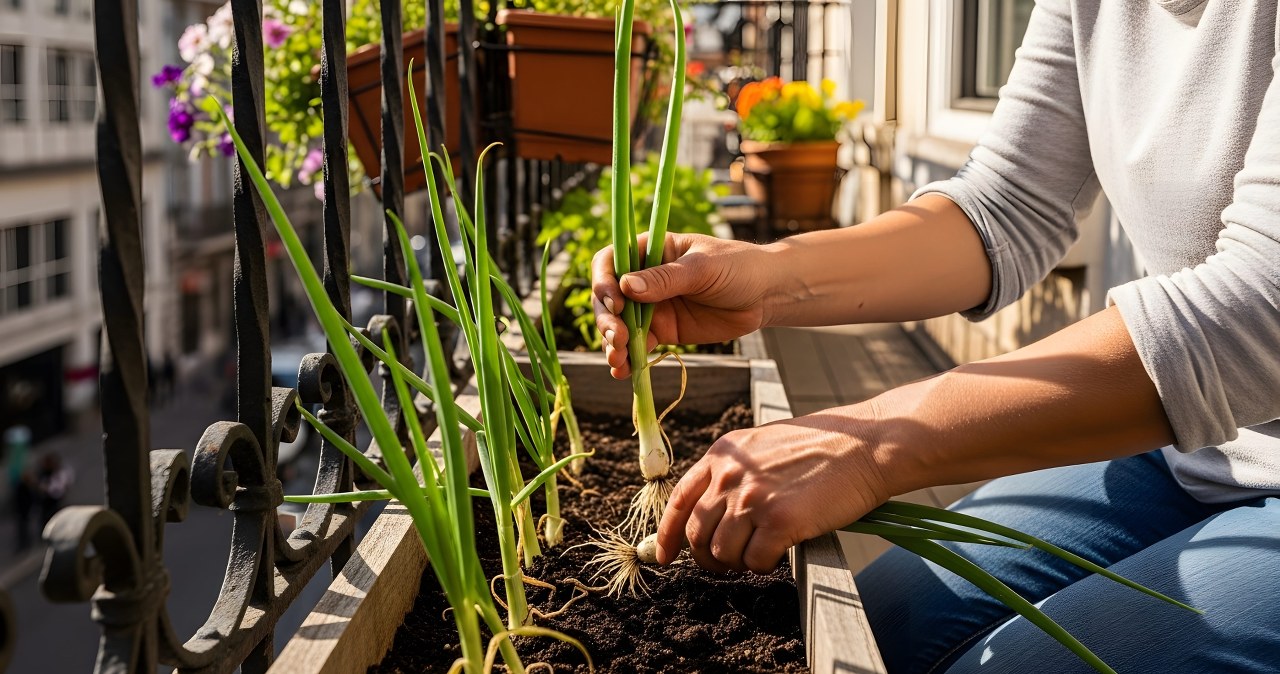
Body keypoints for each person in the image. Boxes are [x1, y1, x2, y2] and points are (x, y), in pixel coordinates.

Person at [591, 2, 1280, 672]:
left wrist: (870, 445)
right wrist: (768, 278)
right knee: (878, 622)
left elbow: (1260, 308)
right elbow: (1009, 203)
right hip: (1196, 448)